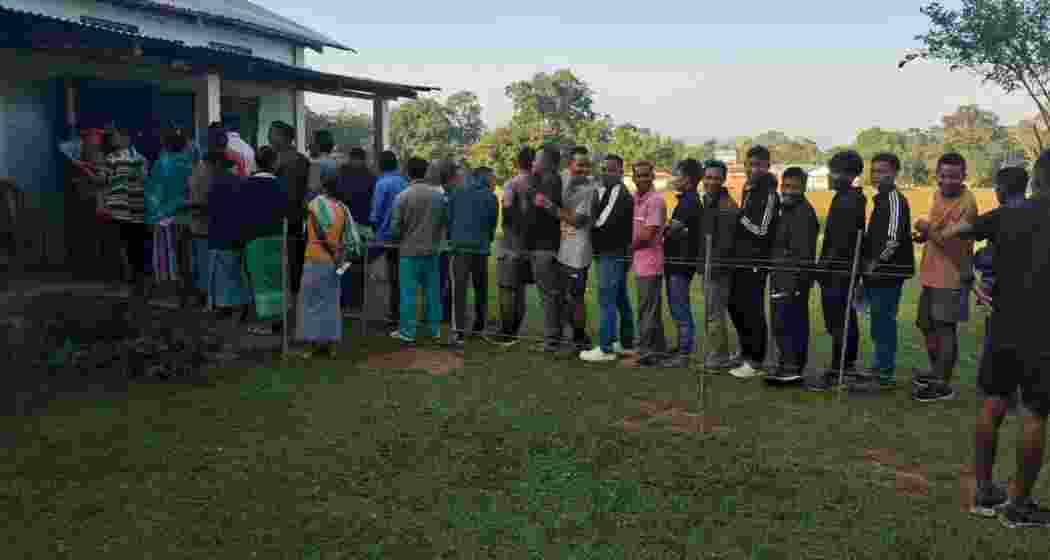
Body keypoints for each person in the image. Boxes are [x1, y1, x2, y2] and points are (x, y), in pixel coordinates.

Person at [939, 149, 1050, 528]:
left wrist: (967, 275)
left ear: (1036, 179)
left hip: (1002, 326)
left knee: (994, 404)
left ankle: (984, 490)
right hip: (1042, 331)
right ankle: (1018, 505)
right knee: (1034, 414)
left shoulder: (1006, 214)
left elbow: (954, 233)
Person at [912, 152, 979, 402]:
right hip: (931, 272)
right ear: (937, 176)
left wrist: (926, 228)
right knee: (925, 323)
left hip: (952, 273)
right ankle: (936, 371)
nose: (948, 181)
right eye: (943, 176)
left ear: (964, 176)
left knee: (945, 329)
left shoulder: (967, 205)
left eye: (954, 176)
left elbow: (950, 244)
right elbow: (937, 231)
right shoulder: (937, 194)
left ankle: (942, 384)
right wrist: (924, 235)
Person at [853, 152, 915, 392]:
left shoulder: (895, 200)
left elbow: (893, 239)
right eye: (874, 171)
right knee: (878, 323)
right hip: (875, 273)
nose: (877, 176)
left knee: (884, 323)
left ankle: (885, 375)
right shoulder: (880, 200)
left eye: (883, 171)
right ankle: (879, 367)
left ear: (895, 173)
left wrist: (876, 262)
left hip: (888, 273)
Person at [807, 150, 867, 391]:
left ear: (849, 175)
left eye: (835, 172)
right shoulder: (845, 197)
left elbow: (841, 242)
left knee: (839, 322)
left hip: (839, 272)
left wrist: (821, 269)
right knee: (842, 320)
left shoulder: (849, 201)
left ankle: (839, 370)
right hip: (837, 271)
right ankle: (844, 366)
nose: (830, 176)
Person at [973, 166, 1030, 410]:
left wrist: (980, 261)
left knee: (998, 340)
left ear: (1001, 189)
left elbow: (988, 253)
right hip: (1033, 290)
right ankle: (1019, 392)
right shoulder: (1037, 214)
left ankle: (998, 391)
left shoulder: (1000, 216)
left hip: (1005, 291)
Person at [765, 167, 819, 384]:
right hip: (782, 275)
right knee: (781, 323)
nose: (788, 191)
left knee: (788, 323)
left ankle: (791, 368)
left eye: (794, 187)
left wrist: (794, 281)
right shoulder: (786, 209)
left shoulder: (803, 213)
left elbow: (801, 252)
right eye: (785, 186)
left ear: (804, 187)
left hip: (792, 278)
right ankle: (787, 365)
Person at [728, 146, 779, 378]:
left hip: (757, 260)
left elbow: (762, 230)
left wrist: (739, 217)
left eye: (758, 165)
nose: (753, 169)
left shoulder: (769, 194)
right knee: (735, 305)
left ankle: (755, 361)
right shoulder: (749, 189)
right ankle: (745, 350)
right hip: (740, 258)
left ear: (767, 166)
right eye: (749, 165)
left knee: (752, 309)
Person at [581, 154, 636, 362]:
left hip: (612, 253)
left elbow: (600, 222)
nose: (605, 173)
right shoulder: (607, 190)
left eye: (611, 170)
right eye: (603, 169)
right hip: (611, 253)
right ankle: (626, 343)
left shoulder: (619, 193)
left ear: (621, 172)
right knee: (619, 298)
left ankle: (605, 348)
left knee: (607, 300)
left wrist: (587, 222)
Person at [297, 170, 355, 359]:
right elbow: (348, 239)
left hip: (314, 258)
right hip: (334, 261)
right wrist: (340, 259)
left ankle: (312, 345)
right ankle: (331, 346)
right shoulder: (343, 209)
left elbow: (306, 232)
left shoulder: (314, 204)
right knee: (331, 303)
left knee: (311, 302)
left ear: (323, 184)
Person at [390, 157, 448, 344]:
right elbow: (444, 223)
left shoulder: (402, 196)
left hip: (409, 251)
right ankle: (434, 329)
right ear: (426, 172)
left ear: (408, 172)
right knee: (433, 293)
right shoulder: (439, 197)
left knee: (408, 293)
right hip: (432, 251)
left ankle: (408, 331)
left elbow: (395, 228)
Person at [515, 145, 565, 353]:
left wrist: (529, 192)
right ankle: (554, 336)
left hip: (545, 246)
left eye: (537, 159)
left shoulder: (551, 180)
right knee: (550, 293)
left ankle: (552, 339)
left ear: (548, 162)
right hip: (540, 245)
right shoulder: (544, 180)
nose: (533, 162)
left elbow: (547, 207)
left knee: (549, 294)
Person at [239, 147, 290, 336]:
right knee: (278, 280)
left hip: (255, 239)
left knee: (261, 284)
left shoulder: (246, 185)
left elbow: (241, 214)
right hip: (278, 237)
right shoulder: (281, 184)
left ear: (256, 162)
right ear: (274, 163)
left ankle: (266, 324)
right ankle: (280, 320)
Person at [98, 126, 151, 304]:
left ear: (126, 138)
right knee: (133, 249)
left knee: (130, 249)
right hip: (131, 211)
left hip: (126, 211)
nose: (114, 139)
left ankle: (135, 285)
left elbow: (102, 180)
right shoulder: (138, 159)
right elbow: (144, 182)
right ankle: (136, 285)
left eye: (117, 136)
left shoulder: (115, 159)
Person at [447, 166, 499, 347]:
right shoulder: (491, 197)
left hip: (460, 249)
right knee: (481, 289)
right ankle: (479, 327)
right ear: (484, 178)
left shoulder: (456, 193)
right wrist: (486, 239)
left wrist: (453, 237)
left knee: (459, 291)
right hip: (481, 249)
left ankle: (459, 332)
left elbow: (449, 218)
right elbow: (492, 223)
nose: (494, 181)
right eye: (492, 178)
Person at [144, 127, 194, 306]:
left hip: (165, 218)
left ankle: (170, 296)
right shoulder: (191, 164)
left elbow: (153, 193)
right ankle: (186, 295)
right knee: (185, 258)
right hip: (187, 216)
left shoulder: (161, 164)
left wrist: (152, 217)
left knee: (166, 259)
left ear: (165, 145)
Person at [555, 147, 599, 352]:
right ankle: (569, 334)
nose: (584, 169)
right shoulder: (563, 178)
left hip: (578, 252)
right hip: (561, 248)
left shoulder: (589, 189)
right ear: (569, 164)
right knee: (562, 295)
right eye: (579, 165)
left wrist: (551, 208)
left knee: (576, 297)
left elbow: (578, 221)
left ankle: (580, 338)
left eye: (587, 165)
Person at [697, 159, 740, 371]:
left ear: (723, 180)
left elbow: (725, 244)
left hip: (717, 269)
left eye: (716, 178)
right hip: (708, 265)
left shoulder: (726, 207)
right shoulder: (709, 200)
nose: (711, 181)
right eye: (708, 177)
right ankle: (720, 353)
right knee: (711, 314)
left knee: (714, 315)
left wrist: (712, 268)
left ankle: (719, 356)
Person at [662, 158, 703, 368]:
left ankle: (684, 353)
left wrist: (666, 228)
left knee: (680, 308)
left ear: (687, 179)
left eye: (676, 175)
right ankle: (681, 347)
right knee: (676, 306)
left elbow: (671, 230)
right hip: (677, 262)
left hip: (681, 263)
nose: (673, 179)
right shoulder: (687, 199)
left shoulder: (689, 202)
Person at [496, 147, 537, 346]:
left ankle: (507, 332)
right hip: (533, 245)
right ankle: (516, 328)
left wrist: (512, 242)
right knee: (520, 289)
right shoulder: (540, 184)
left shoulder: (511, 184)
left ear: (517, 163)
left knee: (507, 288)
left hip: (513, 243)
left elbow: (508, 214)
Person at [630, 160, 668, 367]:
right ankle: (659, 350)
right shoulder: (636, 199)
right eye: (639, 175)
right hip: (641, 262)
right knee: (650, 309)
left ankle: (643, 352)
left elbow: (648, 235)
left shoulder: (655, 200)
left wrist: (626, 248)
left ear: (652, 176)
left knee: (647, 310)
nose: (642, 179)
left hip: (651, 263)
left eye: (646, 175)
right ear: (633, 178)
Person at [269, 121, 311, 298]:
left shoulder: (287, 160)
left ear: (284, 137)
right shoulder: (300, 159)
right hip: (293, 217)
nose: (269, 137)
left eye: (272, 133)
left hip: (285, 216)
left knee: (287, 258)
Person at [332, 147, 376, 312]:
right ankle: (357, 299)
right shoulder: (370, 177)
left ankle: (343, 297)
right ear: (363, 159)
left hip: (343, 226)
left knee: (343, 262)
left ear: (351, 158)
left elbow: (335, 198)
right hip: (362, 227)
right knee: (358, 263)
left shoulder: (341, 174)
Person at [370, 150, 409, 326]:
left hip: (383, 236)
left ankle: (388, 312)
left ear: (380, 164)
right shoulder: (404, 182)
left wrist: (372, 228)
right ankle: (397, 312)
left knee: (358, 262)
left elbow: (376, 213)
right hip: (402, 236)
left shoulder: (382, 183)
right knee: (398, 277)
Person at [308, 130, 345, 196]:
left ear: (318, 145)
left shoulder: (316, 164)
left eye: (311, 143)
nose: (309, 146)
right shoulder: (336, 163)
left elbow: (312, 191)